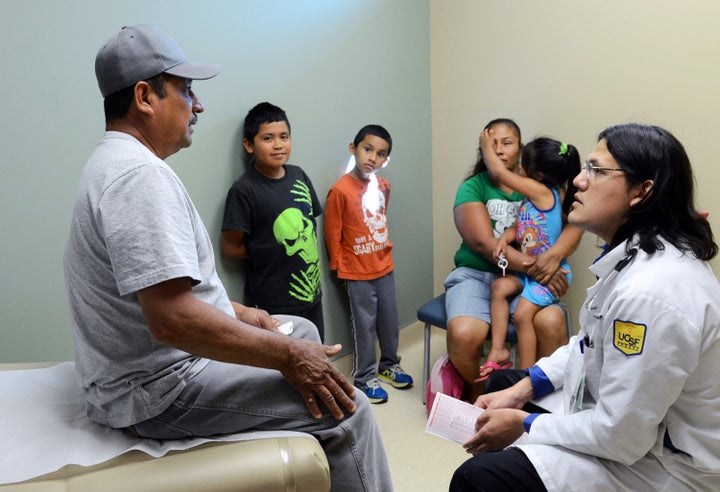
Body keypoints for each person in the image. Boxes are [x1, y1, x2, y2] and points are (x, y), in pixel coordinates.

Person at [63, 25, 392, 491]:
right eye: (185, 90)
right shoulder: (138, 179)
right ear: (144, 97)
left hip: (152, 369)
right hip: (157, 391)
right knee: (348, 409)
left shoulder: (116, 163)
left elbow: (160, 294)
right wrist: (289, 359)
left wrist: (239, 314)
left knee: (299, 331)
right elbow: (172, 320)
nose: (198, 105)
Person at [451, 123, 720, 491]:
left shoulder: (650, 294)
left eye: (596, 170)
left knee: (475, 479)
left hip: (659, 466)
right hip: (628, 424)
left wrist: (525, 424)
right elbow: (588, 341)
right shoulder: (631, 254)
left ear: (642, 192)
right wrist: (523, 389)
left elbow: (622, 436)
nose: (578, 180)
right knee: (504, 383)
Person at [444, 118, 583, 402]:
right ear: (482, 150)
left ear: (520, 149)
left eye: (506, 143)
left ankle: (536, 396)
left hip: (527, 278)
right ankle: (482, 392)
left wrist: (554, 256)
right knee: (463, 333)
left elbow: (575, 223)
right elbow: (485, 244)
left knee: (551, 322)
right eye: (490, 144)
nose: (497, 150)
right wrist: (542, 267)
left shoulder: (538, 185)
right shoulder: (472, 187)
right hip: (478, 274)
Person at [324, 124, 413, 404]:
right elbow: (333, 232)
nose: (373, 158)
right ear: (353, 148)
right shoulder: (339, 190)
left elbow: (380, 218)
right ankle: (364, 376)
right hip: (357, 272)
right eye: (368, 149)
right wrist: (339, 267)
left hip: (383, 265)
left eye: (381, 154)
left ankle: (389, 365)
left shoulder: (383, 186)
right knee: (364, 326)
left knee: (389, 322)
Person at [221, 102, 325, 340]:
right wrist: (266, 250)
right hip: (272, 303)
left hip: (312, 295)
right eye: (268, 138)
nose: (278, 144)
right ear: (249, 144)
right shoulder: (244, 190)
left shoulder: (299, 176)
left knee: (318, 355)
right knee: (283, 367)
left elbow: (311, 223)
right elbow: (230, 247)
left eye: (284, 136)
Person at [482, 134, 581, 376]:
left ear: (537, 176)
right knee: (499, 289)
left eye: (523, 163)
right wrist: (505, 238)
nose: (519, 167)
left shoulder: (544, 193)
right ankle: (499, 350)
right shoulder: (533, 198)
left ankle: (525, 374)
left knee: (523, 315)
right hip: (528, 274)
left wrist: (487, 147)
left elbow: (500, 174)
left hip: (548, 276)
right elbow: (520, 226)